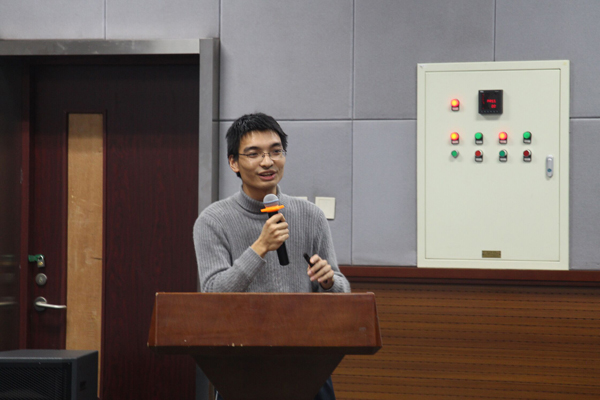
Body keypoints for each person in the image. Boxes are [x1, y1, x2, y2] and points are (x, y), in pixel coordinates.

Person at [193, 112, 350, 400]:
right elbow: (213, 294)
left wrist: (329, 283)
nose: (267, 162)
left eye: (276, 151)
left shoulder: (311, 216)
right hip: (240, 366)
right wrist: (259, 248)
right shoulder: (212, 221)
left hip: (308, 363)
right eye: (254, 154)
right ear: (233, 162)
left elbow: (342, 290)